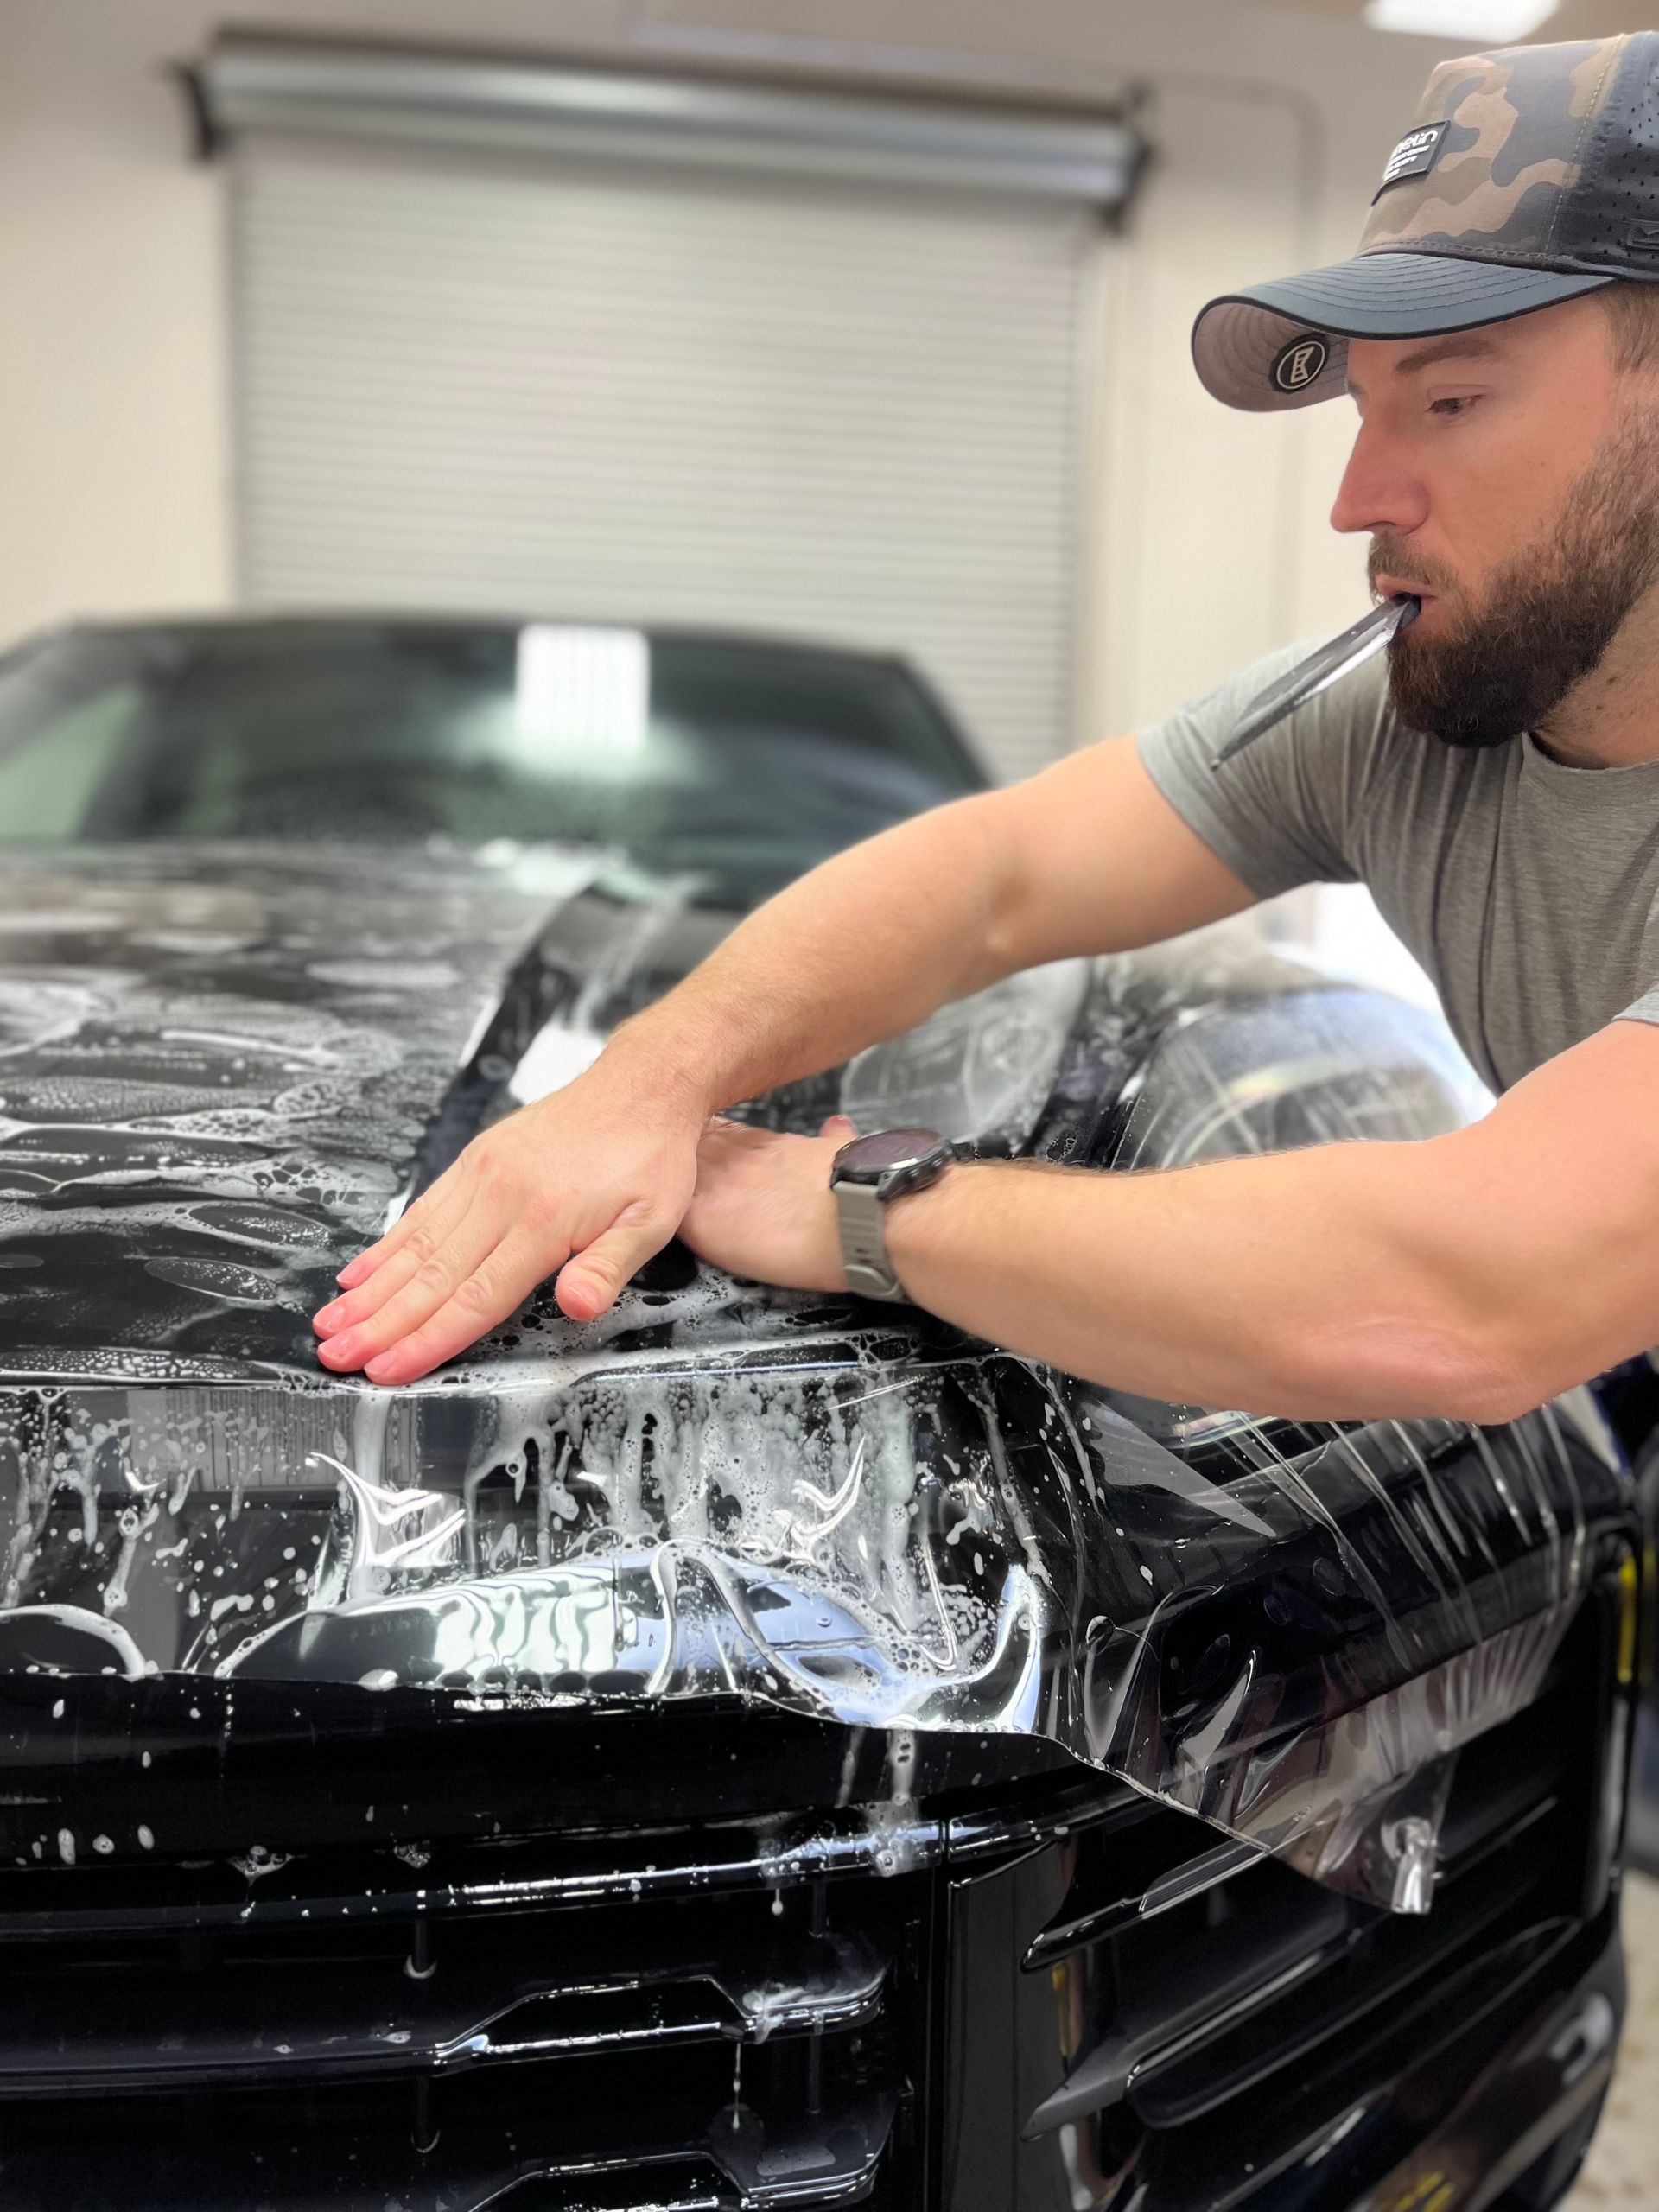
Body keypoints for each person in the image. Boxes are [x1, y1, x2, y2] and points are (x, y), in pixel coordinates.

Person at [314, 31, 1659, 1427]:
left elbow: (1476, 1295)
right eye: (1367, 410)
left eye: (1451, 399)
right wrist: (645, 1085)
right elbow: (995, 878)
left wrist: (860, 1205)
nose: (1358, 496)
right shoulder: (1397, 726)